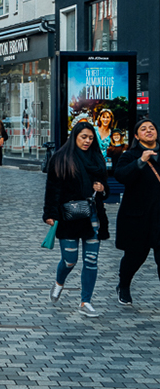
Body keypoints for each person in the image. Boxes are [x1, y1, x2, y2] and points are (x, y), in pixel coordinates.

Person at [44, 120, 109, 317]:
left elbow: (105, 188)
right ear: (75, 137)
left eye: (90, 137)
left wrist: (102, 189)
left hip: (92, 216)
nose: (87, 141)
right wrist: (50, 214)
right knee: (69, 260)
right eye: (83, 137)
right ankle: (59, 282)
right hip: (69, 217)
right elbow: (52, 189)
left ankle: (85, 301)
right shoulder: (61, 158)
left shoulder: (98, 158)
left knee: (91, 260)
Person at [114, 119, 160, 306]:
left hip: (159, 217)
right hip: (137, 217)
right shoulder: (130, 155)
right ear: (136, 135)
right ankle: (123, 285)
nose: (149, 131)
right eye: (143, 129)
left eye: (152, 128)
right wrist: (141, 161)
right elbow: (121, 176)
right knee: (134, 257)